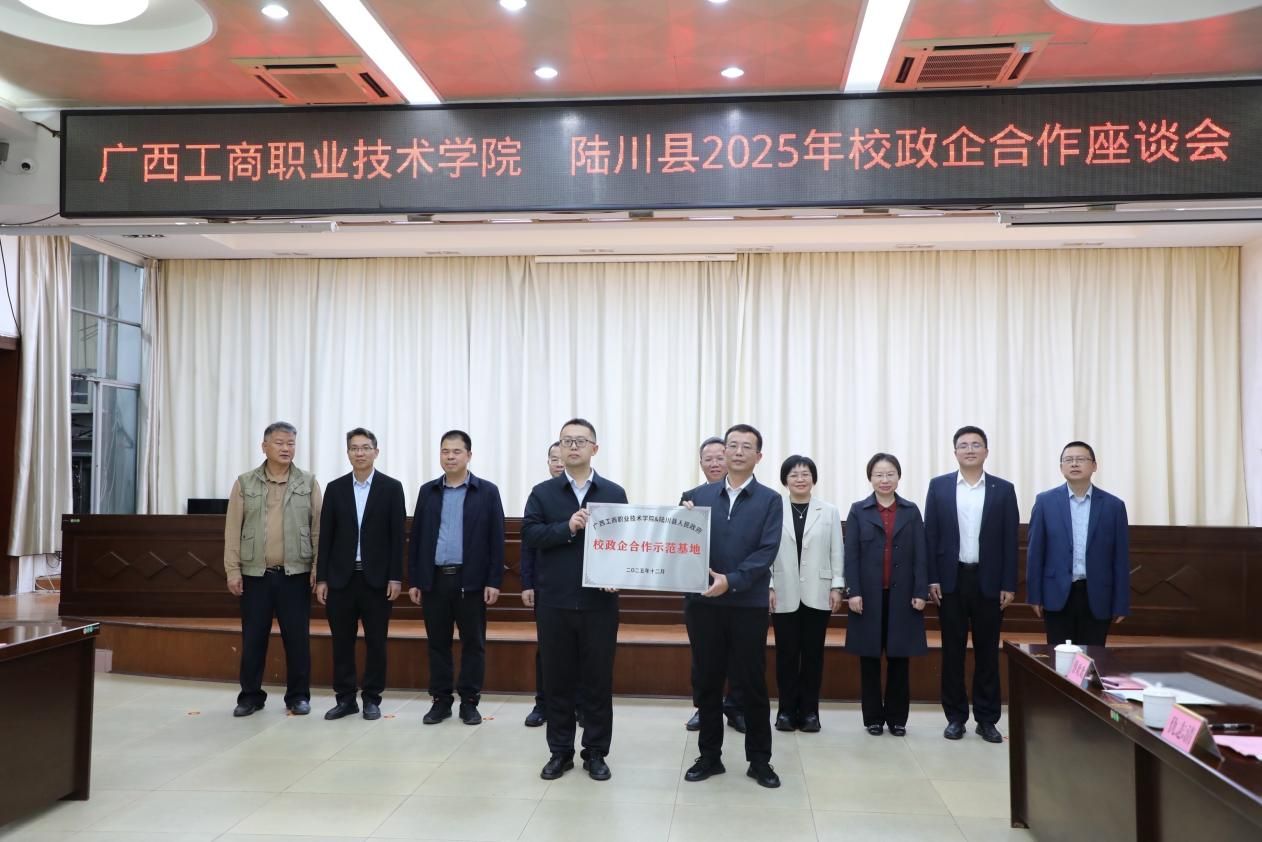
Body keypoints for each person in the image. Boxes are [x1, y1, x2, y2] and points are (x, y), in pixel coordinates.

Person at [522, 418, 628, 782]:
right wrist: (567, 527)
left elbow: (625, 543)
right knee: (558, 681)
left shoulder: (613, 492)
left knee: (598, 681)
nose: (572, 447)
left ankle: (595, 752)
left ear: (594, 449)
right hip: (555, 601)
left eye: (580, 441)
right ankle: (560, 752)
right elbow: (530, 534)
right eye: (566, 441)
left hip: (600, 604)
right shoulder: (543, 492)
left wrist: (618, 576)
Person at [681, 424, 783, 789]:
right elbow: (681, 546)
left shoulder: (770, 500)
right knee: (707, 681)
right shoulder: (695, 497)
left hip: (747, 604)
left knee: (752, 683)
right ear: (723, 452)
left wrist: (733, 579)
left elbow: (766, 551)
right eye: (732, 445)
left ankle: (760, 760)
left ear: (759, 456)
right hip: (703, 604)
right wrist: (682, 519)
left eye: (746, 447)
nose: (738, 452)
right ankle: (710, 756)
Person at [924, 426, 1018, 744]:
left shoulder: (1003, 490)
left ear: (986, 452)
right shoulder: (939, 487)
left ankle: (987, 719)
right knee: (952, 652)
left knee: (987, 652)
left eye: (976, 444)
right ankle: (955, 717)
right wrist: (932, 578)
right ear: (955, 452)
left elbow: (1010, 541)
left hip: (989, 582)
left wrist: (1008, 583)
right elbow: (931, 535)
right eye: (963, 445)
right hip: (950, 581)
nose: (969, 449)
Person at [223, 421, 322, 717]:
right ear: (264, 446)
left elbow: (318, 529)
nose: (286, 448)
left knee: (297, 640)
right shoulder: (245, 483)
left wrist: (317, 568)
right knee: (253, 639)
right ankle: (250, 696)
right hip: (256, 575)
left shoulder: (308, 482)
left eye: (291, 443)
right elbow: (233, 529)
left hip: (296, 575)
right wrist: (233, 570)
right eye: (279, 443)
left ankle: (298, 696)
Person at [408, 430, 505, 726]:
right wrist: (416, 579)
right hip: (435, 579)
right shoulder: (428, 491)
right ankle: (441, 700)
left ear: (469, 455)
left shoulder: (486, 492)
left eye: (456, 451)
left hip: (470, 581)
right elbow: (417, 538)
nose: (450, 457)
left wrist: (493, 581)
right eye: (445, 451)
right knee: (437, 643)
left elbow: (496, 539)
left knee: (473, 643)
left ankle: (470, 702)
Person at [315, 428, 406, 721]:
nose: (360, 453)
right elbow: (326, 536)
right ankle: (345, 699)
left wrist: (395, 577)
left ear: (376, 452)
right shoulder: (335, 488)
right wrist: (322, 578)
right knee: (342, 642)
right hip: (341, 579)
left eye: (366, 447)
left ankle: (371, 698)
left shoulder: (392, 488)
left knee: (376, 642)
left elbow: (397, 537)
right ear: (348, 453)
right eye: (354, 448)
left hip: (376, 580)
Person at [844, 452, 928, 737]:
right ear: (870, 478)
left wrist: (920, 591)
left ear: (898, 477)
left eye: (890, 474)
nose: (884, 479)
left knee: (899, 659)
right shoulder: (858, 510)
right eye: (878, 474)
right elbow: (851, 555)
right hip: (867, 597)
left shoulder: (911, 511)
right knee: (869, 659)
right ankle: (873, 718)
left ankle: (897, 718)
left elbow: (921, 554)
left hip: (903, 597)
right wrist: (853, 592)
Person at [1026, 441, 1130, 647]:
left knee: (1092, 657)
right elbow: (1035, 552)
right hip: (1057, 594)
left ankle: (1087, 671)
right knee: (1060, 657)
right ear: (1061, 467)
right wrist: (1034, 596)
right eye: (1068, 460)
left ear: (1094, 465)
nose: (1074, 464)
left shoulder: (1113, 506)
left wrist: (1121, 603)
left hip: (1097, 594)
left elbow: (1120, 558)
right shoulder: (1045, 502)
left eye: (1081, 459)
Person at [770, 455, 843, 733]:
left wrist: (837, 586)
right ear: (785, 480)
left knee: (813, 655)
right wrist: (768, 585)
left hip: (819, 590)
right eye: (794, 474)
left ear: (813, 478)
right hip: (782, 590)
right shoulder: (773, 509)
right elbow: (765, 550)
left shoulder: (829, 511)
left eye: (805, 474)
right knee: (786, 655)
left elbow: (837, 550)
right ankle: (786, 712)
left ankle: (810, 712)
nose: (800, 479)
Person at [685, 436, 745, 734]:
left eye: (720, 457)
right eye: (708, 459)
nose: (714, 463)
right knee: (703, 656)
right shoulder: (691, 497)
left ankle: (735, 707)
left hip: (739, 589)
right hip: (700, 592)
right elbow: (680, 542)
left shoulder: (750, 497)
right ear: (701, 464)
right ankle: (704, 707)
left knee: (739, 655)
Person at [521, 441, 564, 728]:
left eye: (562, 459)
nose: (558, 463)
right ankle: (542, 703)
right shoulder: (540, 495)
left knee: (581, 651)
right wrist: (527, 583)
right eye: (553, 459)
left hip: (582, 588)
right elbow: (528, 543)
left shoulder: (592, 497)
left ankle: (579, 705)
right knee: (546, 649)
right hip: (545, 586)